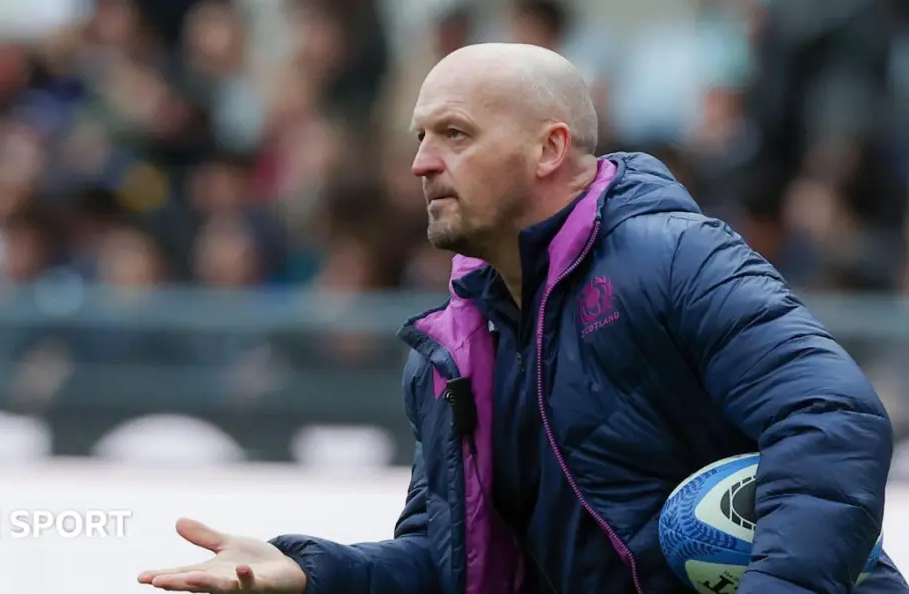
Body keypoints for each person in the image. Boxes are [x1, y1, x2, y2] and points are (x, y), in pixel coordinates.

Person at [137, 43, 909, 594]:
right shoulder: (447, 351)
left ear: (550, 149)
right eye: (420, 137)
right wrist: (313, 571)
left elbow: (833, 418)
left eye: (455, 134)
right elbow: (449, 563)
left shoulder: (676, 258)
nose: (422, 162)